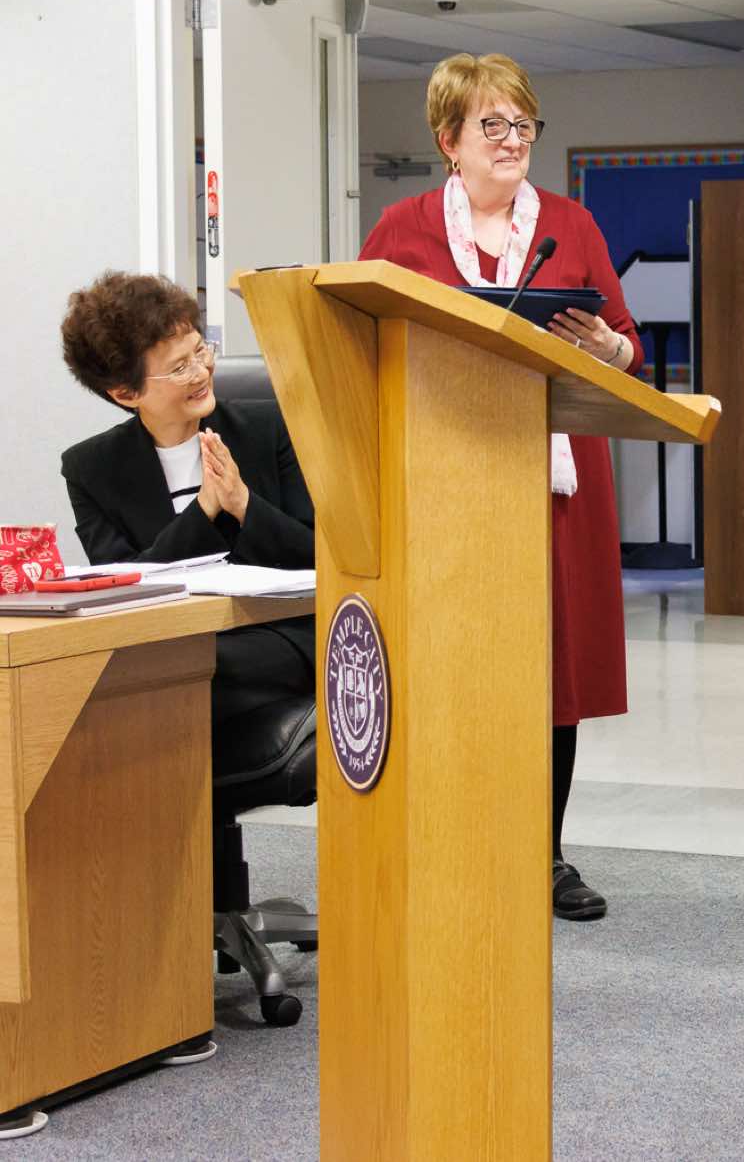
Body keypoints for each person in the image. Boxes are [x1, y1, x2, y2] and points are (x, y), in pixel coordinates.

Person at [359, 51, 645, 922]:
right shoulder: (401, 229)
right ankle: (454, 840)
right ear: (449, 139)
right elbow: (361, 343)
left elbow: (627, 346)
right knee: (454, 665)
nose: (513, 139)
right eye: (494, 124)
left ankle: (543, 854)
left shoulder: (571, 223)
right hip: (444, 482)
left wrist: (606, 347)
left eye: (524, 124)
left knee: (552, 674)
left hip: (554, 485)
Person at [59, 273, 316, 728]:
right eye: (180, 367)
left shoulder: (269, 428)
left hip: (277, 635)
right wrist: (204, 511)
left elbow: (319, 554)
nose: (201, 372)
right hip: (169, 644)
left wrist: (243, 503)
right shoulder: (90, 470)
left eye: (200, 351)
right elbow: (126, 585)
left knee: (171, 680)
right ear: (126, 393)